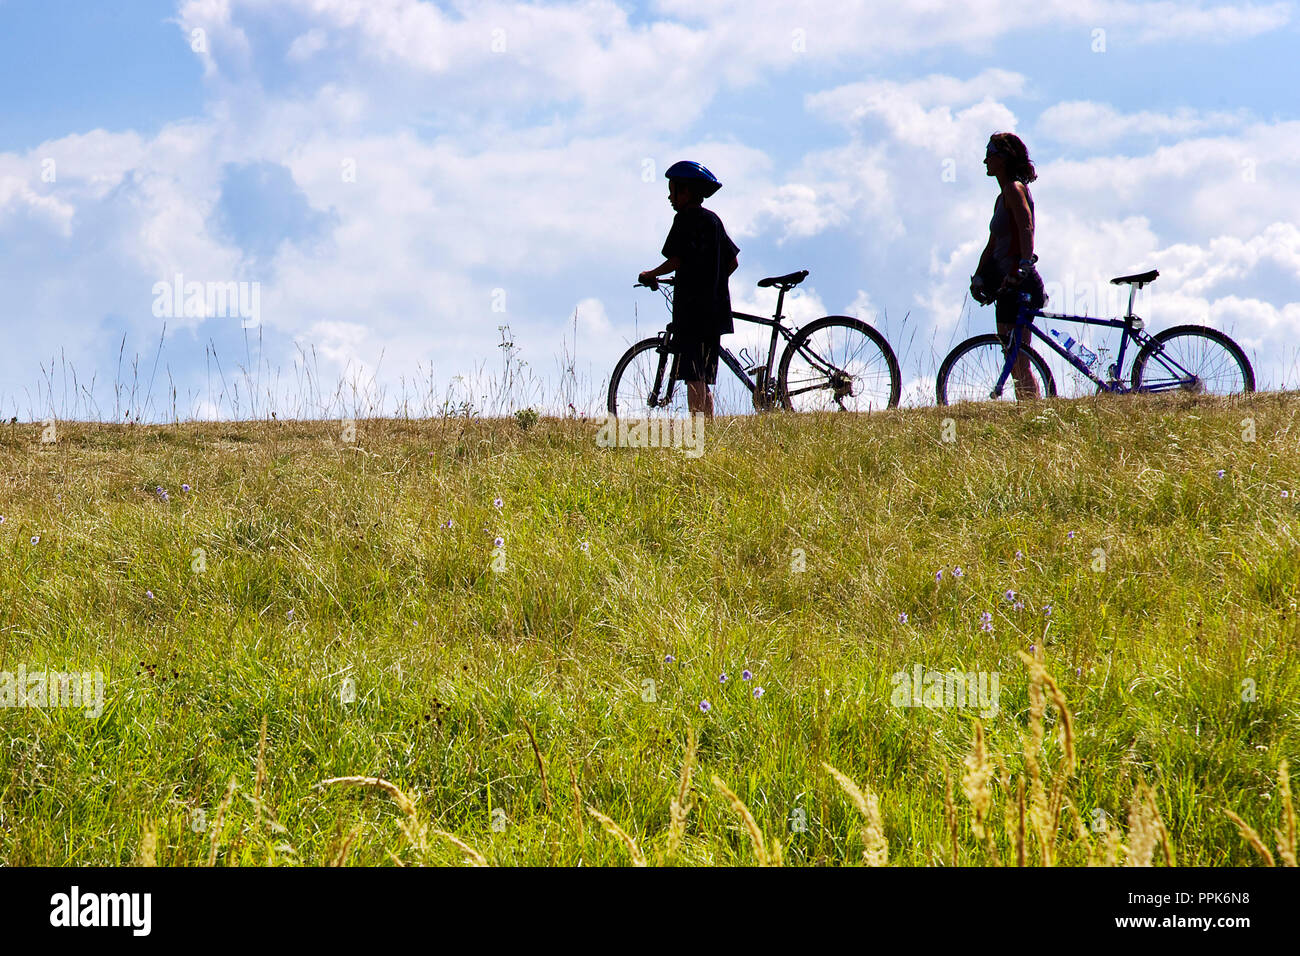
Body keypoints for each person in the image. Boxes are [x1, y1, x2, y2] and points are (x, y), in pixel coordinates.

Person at [638, 161, 739, 418]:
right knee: (703, 377)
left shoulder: (684, 219)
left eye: (672, 191)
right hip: (715, 311)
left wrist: (651, 274)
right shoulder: (713, 220)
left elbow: (677, 260)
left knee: (692, 376)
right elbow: (732, 262)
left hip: (692, 311)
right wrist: (712, 281)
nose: (669, 197)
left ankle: (698, 433)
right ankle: (708, 431)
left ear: (685, 192)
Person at [971, 132, 1044, 400]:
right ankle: (1027, 409)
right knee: (1010, 355)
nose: (985, 160)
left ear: (1003, 158)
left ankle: (1035, 412)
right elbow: (992, 244)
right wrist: (979, 276)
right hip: (1006, 281)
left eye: (990, 154)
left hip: (1019, 279)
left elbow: (1027, 226)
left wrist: (1024, 263)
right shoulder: (1002, 197)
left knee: (1019, 358)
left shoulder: (1015, 189)